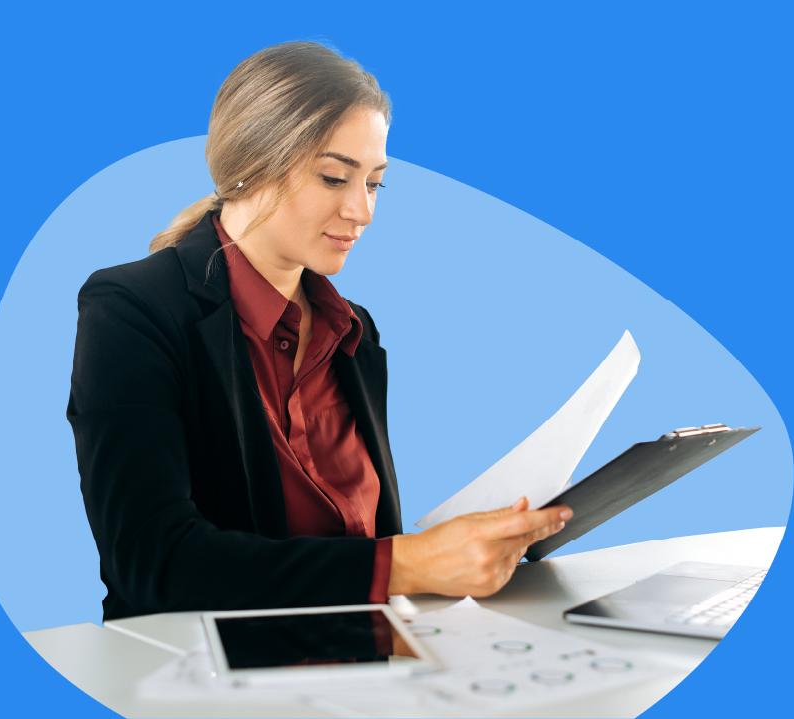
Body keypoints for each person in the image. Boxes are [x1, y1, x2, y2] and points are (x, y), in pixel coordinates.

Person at [68, 41, 572, 622]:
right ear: (252, 165)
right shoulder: (131, 309)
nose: (363, 211)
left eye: (375, 183)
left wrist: (460, 556)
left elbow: (368, 539)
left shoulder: (355, 333)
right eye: (335, 178)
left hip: (365, 664)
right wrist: (406, 564)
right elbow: (153, 562)